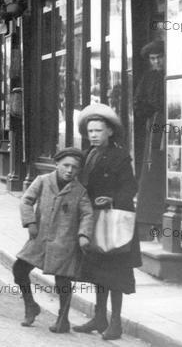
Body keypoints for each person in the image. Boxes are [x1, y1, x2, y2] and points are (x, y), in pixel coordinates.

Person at [73, 103, 142, 340]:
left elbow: (131, 187)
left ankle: (116, 323)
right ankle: (99, 316)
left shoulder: (120, 156)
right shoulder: (87, 155)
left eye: (98, 131)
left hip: (115, 221)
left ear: (110, 132)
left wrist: (112, 199)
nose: (93, 135)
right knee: (97, 272)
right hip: (94, 220)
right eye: (90, 131)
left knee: (115, 274)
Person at [13, 147, 93, 333]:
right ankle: (30, 305)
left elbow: (87, 214)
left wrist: (83, 235)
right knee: (19, 269)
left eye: (74, 167)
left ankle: (62, 319)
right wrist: (30, 221)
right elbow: (26, 200)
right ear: (56, 164)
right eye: (65, 165)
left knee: (63, 281)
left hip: (64, 242)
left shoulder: (79, 191)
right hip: (39, 237)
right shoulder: (42, 181)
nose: (69, 170)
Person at [135, 39, 166, 237]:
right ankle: (151, 221)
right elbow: (138, 104)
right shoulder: (149, 78)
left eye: (159, 58)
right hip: (157, 127)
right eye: (152, 59)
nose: (156, 63)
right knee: (153, 167)